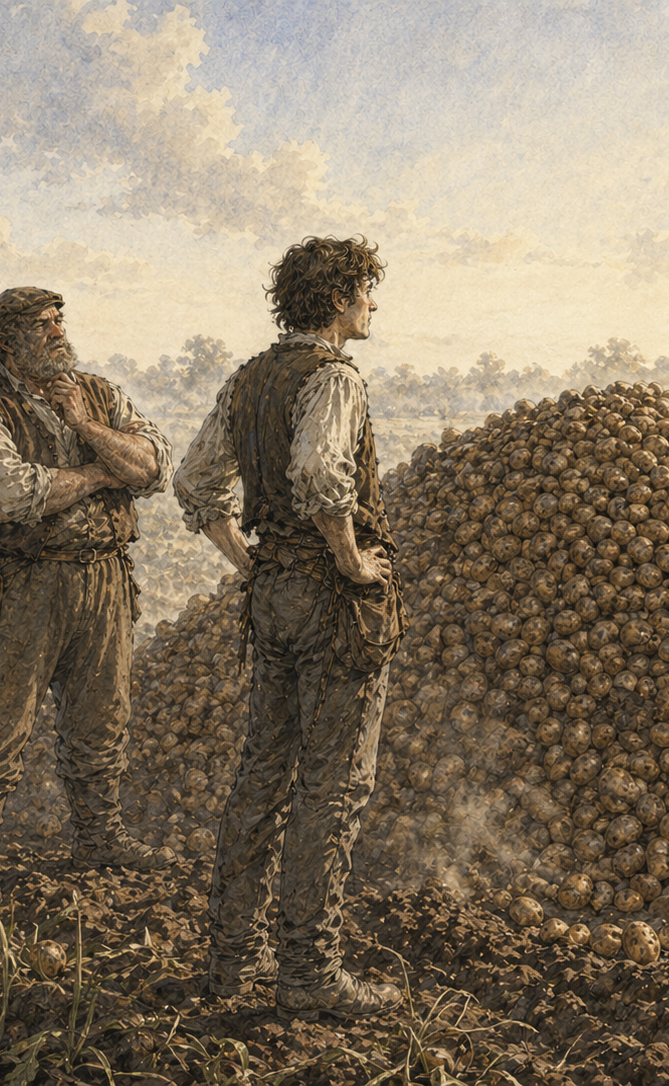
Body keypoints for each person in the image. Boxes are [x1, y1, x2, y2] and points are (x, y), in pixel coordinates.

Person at [175, 235, 407, 1018]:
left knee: (262, 775)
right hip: (328, 601)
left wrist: (246, 560)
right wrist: (349, 561)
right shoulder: (335, 378)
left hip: (272, 591)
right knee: (333, 786)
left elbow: (195, 479)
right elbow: (317, 472)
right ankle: (308, 974)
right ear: (339, 298)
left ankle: (233, 959)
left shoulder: (251, 377)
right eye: (367, 291)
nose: (374, 304)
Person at [0, 287, 174, 906]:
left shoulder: (97, 393)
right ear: (8, 340)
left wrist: (86, 428)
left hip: (104, 578)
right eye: (43, 325)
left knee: (103, 714)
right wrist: (102, 471)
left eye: (60, 320)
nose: (58, 331)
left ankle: (99, 835)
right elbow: (12, 495)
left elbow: (152, 469)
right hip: (20, 584)